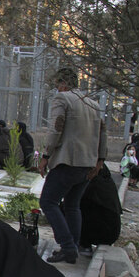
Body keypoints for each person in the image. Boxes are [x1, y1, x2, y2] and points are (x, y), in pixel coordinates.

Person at [38, 68, 107, 264]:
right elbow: (103, 132)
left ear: (62, 83)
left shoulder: (62, 99)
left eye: (57, 85)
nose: (56, 89)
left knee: (48, 202)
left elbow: (56, 128)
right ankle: (74, 246)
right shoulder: (92, 104)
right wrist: (100, 160)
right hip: (88, 164)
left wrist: (46, 155)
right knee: (72, 205)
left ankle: (67, 246)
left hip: (67, 161)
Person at [78, 165, 122, 255]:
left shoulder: (93, 184)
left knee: (69, 208)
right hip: (111, 235)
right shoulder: (107, 183)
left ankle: (84, 245)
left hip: (101, 233)